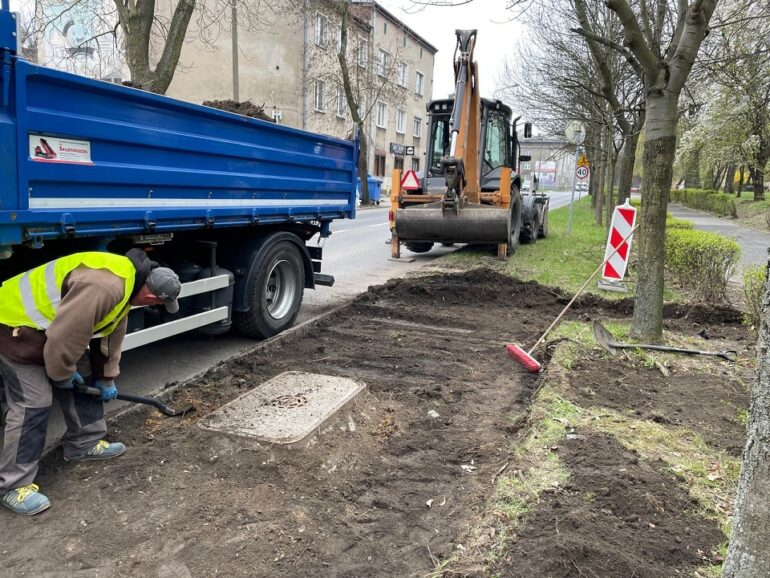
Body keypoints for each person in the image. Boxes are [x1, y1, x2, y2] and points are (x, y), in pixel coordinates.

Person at [0, 249, 181, 515]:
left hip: (45, 332)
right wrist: (62, 375)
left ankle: (84, 443)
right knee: (33, 404)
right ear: (151, 296)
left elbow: (109, 334)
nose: (153, 307)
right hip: (14, 327)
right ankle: (13, 486)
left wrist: (107, 376)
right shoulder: (104, 286)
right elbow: (65, 338)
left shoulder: (129, 284)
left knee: (86, 373)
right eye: (156, 304)